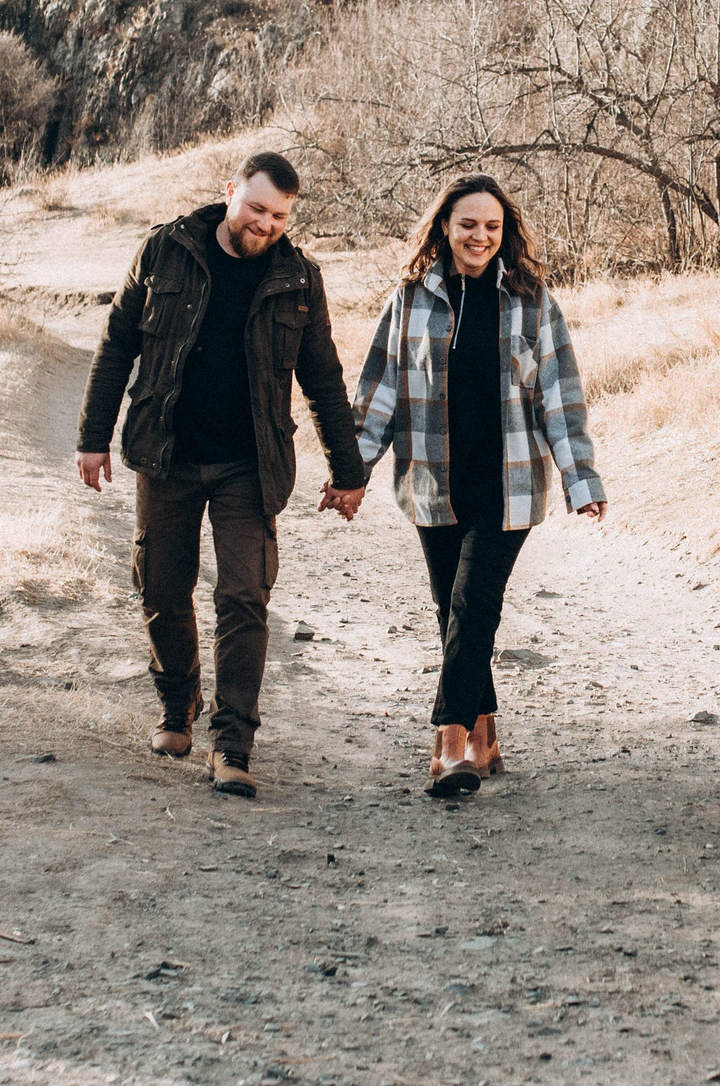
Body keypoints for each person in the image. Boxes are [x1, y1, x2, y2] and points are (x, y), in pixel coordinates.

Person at [75, 152, 368, 797]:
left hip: (248, 464)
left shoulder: (299, 278)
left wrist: (349, 471)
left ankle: (232, 741)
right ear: (229, 192)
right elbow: (116, 343)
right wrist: (93, 438)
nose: (264, 224)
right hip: (167, 452)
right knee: (161, 586)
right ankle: (178, 705)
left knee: (244, 597)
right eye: (255, 208)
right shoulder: (165, 250)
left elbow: (322, 377)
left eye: (279, 216)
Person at [348, 174, 606, 798]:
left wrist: (581, 478)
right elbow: (379, 392)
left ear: (505, 232)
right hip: (432, 484)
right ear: (444, 227)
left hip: (508, 486)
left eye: (492, 226)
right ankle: (486, 731)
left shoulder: (531, 300)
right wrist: (349, 473)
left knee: (472, 606)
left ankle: (451, 741)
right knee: (453, 614)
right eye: (468, 224)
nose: (480, 237)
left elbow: (560, 398)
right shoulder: (410, 298)